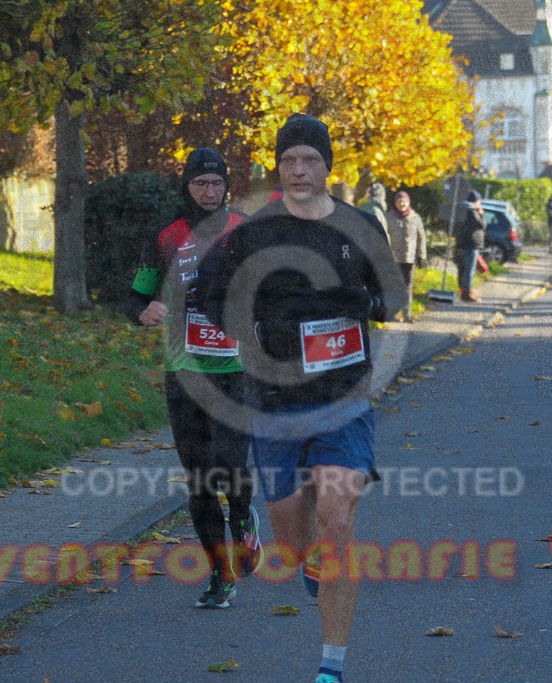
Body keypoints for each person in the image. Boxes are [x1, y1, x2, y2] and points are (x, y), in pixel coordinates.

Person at [204, 113, 406, 683]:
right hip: (273, 401)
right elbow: (212, 295)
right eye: (289, 159)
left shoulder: (360, 225)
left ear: (326, 166)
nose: (299, 169)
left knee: (336, 515)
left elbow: (392, 295)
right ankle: (312, 566)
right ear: (278, 165)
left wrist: (362, 304)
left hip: (344, 399)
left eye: (310, 160)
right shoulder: (251, 231)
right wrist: (255, 330)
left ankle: (331, 666)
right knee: (294, 532)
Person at [124, 148, 260, 609]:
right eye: (201, 183)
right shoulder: (165, 236)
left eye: (217, 184)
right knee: (200, 478)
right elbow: (135, 296)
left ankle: (244, 519)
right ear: (187, 187)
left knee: (230, 465)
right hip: (183, 370)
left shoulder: (245, 230)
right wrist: (145, 310)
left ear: (227, 188)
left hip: (236, 371)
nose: (209, 192)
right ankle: (220, 575)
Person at [385, 190, 427, 322]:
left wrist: (422, 256)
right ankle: (392, 313)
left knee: (407, 287)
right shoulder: (389, 217)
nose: (402, 205)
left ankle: (407, 314)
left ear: (408, 203)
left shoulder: (415, 218)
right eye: (399, 202)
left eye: (404, 202)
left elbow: (421, 237)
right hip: (393, 258)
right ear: (395, 203)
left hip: (409, 258)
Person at [453, 190, 486, 302]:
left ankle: (463, 291)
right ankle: (466, 294)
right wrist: (481, 213)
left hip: (460, 243)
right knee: (469, 270)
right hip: (471, 243)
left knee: (461, 269)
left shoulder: (459, 209)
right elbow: (482, 225)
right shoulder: (472, 211)